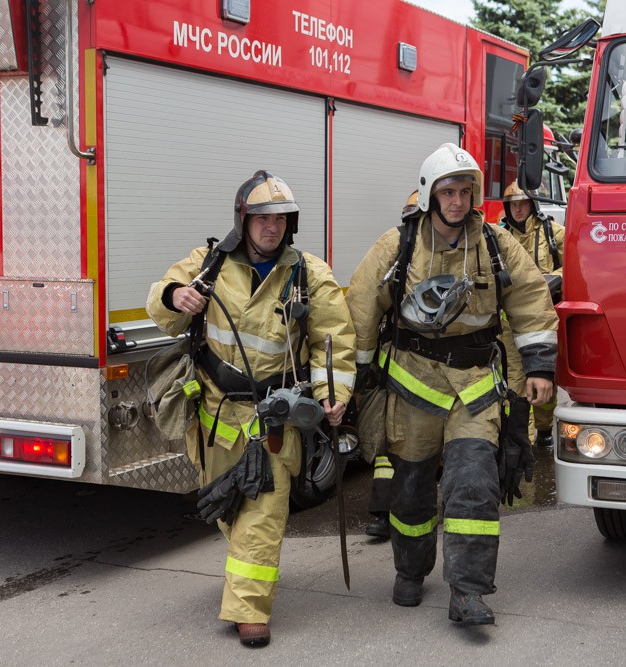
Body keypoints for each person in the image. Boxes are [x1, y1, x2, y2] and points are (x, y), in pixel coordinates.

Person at [346, 144, 557, 625]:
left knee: (474, 486)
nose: (458, 201)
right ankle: (410, 571)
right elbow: (361, 308)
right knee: (411, 491)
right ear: (429, 195)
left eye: (465, 191)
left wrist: (540, 367)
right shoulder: (398, 246)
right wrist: (356, 381)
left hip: (474, 389)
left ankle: (468, 591)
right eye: (448, 192)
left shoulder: (495, 245)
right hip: (412, 388)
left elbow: (530, 301)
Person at [145, 170, 356, 647]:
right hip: (216, 417)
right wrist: (176, 296)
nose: (271, 227)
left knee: (263, 511)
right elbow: (161, 300)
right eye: (262, 218)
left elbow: (334, 341)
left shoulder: (308, 274)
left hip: (273, 419)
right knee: (228, 507)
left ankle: (248, 609)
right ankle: (246, 570)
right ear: (243, 220)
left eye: (280, 219)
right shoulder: (209, 263)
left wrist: (334, 393)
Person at [362, 190, 423, 542]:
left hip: (437, 371)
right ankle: (384, 513)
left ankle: (426, 508)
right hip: (395, 364)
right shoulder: (395, 253)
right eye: (410, 218)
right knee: (388, 442)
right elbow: (367, 307)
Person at [499, 181, 565, 447]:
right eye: (513, 204)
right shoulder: (498, 236)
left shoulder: (552, 232)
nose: (518, 209)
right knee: (515, 381)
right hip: (507, 324)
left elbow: (575, 262)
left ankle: (544, 428)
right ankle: (521, 443)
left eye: (523, 203)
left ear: (533, 204)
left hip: (542, 319)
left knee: (544, 375)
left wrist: (552, 280)